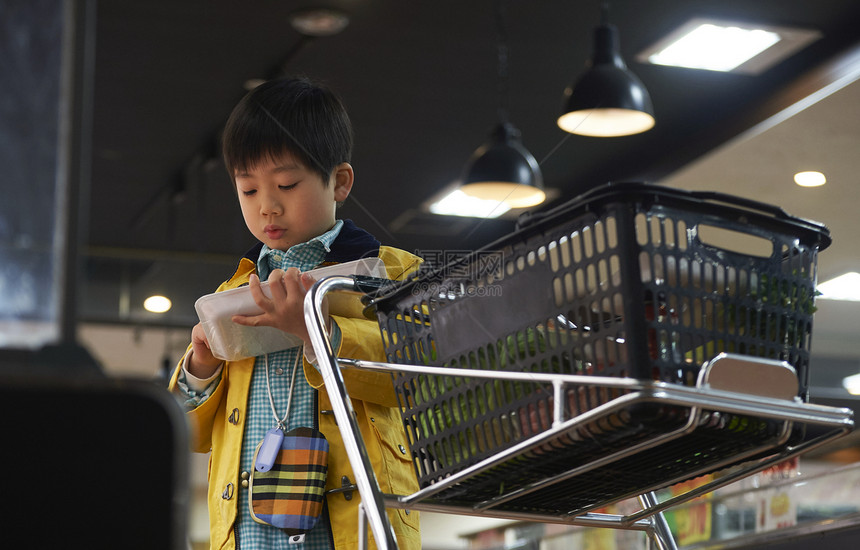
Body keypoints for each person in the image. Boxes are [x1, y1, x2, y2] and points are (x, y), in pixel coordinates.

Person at [168, 76, 422, 550]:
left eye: (286, 183)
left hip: (352, 525)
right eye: (247, 190)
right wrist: (200, 367)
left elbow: (421, 375)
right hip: (246, 530)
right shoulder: (229, 293)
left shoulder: (391, 272)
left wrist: (317, 333)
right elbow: (192, 434)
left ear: (340, 181)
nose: (267, 205)